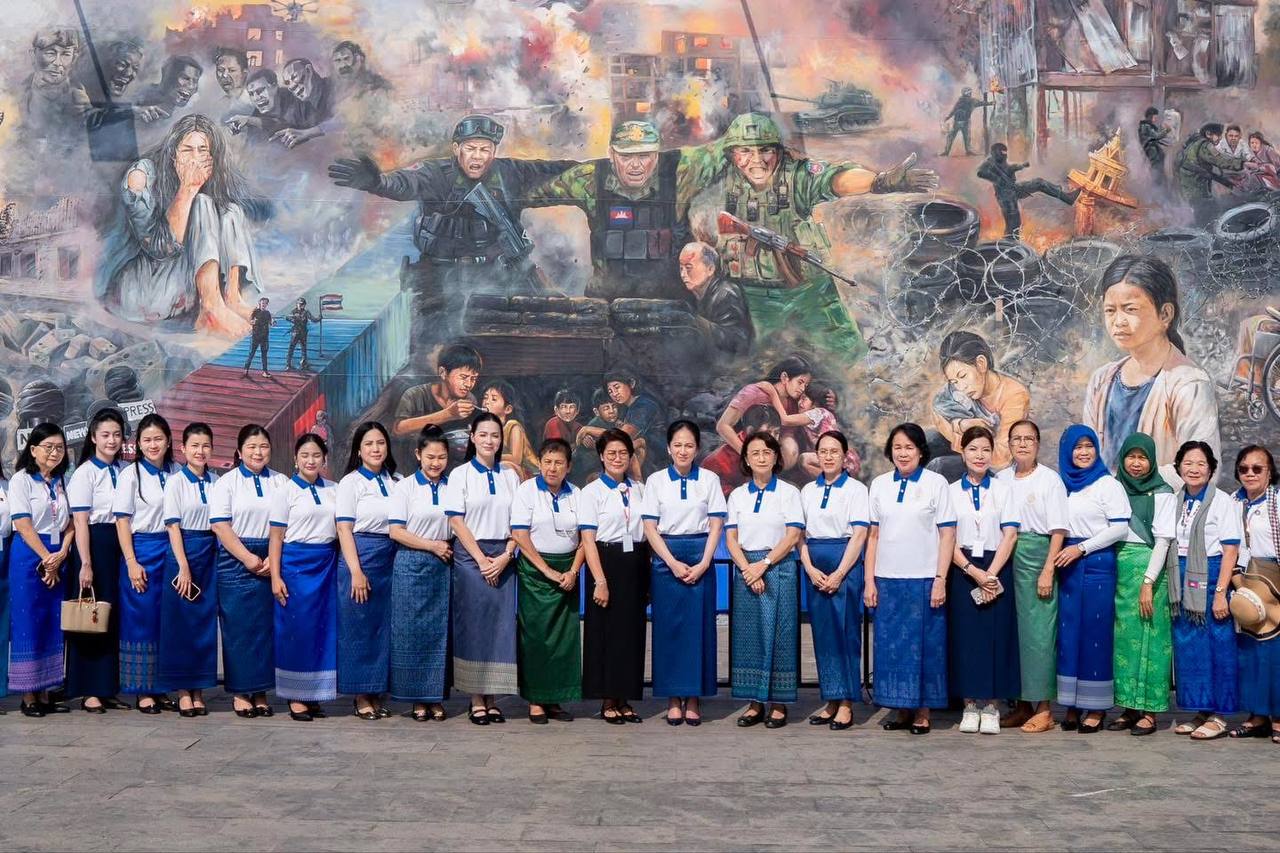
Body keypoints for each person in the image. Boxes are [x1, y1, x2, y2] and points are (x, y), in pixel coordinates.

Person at [706, 112, 935, 362]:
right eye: (745, 152)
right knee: (758, 362)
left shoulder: (798, 176)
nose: (757, 160)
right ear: (732, 155)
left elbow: (835, 180)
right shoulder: (723, 183)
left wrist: (882, 182)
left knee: (848, 355)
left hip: (809, 292)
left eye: (765, 150)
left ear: (778, 152)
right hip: (753, 297)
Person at [328, 115, 576, 334]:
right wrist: (376, 183)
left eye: (485, 149)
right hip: (441, 277)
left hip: (497, 272)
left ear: (493, 151)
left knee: (540, 324)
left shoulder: (509, 172)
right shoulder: (435, 173)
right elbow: (405, 183)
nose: (478, 156)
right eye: (471, 148)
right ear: (457, 149)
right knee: (431, 343)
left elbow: (555, 171)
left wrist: (594, 169)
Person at [95, 114, 262, 338]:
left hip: (182, 287)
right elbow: (159, 249)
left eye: (202, 150)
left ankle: (232, 298)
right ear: (173, 151)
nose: (195, 158)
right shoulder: (140, 176)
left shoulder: (214, 174)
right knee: (202, 203)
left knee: (231, 210)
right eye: (187, 150)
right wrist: (188, 189)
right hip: (144, 290)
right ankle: (211, 307)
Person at [1083, 255, 1219, 481]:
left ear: (1165, 314)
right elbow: (1087, 457)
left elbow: (1201, 470)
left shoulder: (1189, 384)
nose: (1118, 321)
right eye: (1110, 310)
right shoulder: (1102, 380)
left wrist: (1129, 486)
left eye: (1130, 309)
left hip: (1160, 502)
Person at [865, 423, 956, 734]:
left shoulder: (936, 483)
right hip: (888, 580)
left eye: (909, 447)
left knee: (926, 647)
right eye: (897, 447)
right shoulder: (879, 485)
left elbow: (947, 535)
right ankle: (900, 707)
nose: (903, 453)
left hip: (924, 579)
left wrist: (940, 579)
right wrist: (869, 581)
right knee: (891, 647)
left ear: (921, 451)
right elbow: (873, 536)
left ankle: (923, 711)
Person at [640, 421, 724, 726]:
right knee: (669, 629)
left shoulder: (710, 480)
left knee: (699, 628)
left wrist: (704, 562)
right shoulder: (656, 481)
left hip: (701, 557)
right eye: (677, 445)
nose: (683, 451)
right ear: (668, 448)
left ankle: (695, 696)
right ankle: (673, 697)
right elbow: (650, 527)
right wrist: (672, 563)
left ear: (697, 449)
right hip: (667, 560)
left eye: (689, 445)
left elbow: (716, 524)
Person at [1053, 424, 1129, 733]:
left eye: (1089, 446)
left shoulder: (1106, 484)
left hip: (1095, 561)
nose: (1084, 452)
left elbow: (1120, 527)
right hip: (1066, 564)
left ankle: (1095, 707)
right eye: (1077, 447)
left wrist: (1082, 548)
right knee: (1068, 634)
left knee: (1095, 633)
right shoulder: (1062, 484)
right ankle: (1071, 704)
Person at [445, 412, 520, 726]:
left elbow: (519, 523)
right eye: (484, 434)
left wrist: (506, 555)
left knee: (500, 628)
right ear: (472, 437)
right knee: (474, 626)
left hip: (504, 558)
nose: (490, 440)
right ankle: (476, 698)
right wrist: (480, 559)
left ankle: (493, 697)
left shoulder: (510, 476)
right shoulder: (459, 475)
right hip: (470, 558)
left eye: (495, 435)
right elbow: (456, 520)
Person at [726, 431, 805, 729]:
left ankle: (779, 703)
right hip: (746, 570)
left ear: (776, 457)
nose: (761, 457)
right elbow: (731, 538)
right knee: (750, 637)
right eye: (755, 453)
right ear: (746, 459)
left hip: (779, 567)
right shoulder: (737, 495)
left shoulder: (789, 492)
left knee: (781, 635)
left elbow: (793, 535)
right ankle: (754, 702)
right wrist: (749, 569)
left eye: (767, 452)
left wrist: (764, 564)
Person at [995, 419, 1070, 732]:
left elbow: (1059, 530)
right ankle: (1021, 704)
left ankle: (1044, 708)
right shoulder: (1000, 478)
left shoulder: (1050, 480)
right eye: (1017, 439)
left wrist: (1048, 568)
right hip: (1006, 556)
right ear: (1009, 444)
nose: (1023, 444)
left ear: (1038, 444)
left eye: (1029, 439)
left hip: (1038, 556)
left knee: (1039, 635)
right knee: (1014, 634)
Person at [946, 426, 1021, 735]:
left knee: (995, 638)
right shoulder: (950, 491)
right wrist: (972, 571)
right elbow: (946, 538)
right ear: (963, 453)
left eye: (985, 450)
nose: (979, 455)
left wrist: (990, 574)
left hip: (996, 567)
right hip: (962, 569)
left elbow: (1010, 534)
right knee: (965, 639)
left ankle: (991, 705)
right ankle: (969, 705)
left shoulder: (1003, 489)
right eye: (973, 449)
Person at [209, 424, 287, 718]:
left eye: (263, 446)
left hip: (272, 557)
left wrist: (271, 560)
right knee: (238, 629)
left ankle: (261, 691)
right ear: (240, 452)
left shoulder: (281, 481)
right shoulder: (226, 483)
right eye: (251, 447)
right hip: (236, 560)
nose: (258, 452)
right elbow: (220, 525)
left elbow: (287, 523)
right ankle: (242, 692)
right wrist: (248, 558)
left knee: (265, 630)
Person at [1169, 440, 1243, 740]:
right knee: (1190, 647)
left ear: (1211, 469)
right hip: (1182, 578)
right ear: (1178, 467)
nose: (1194, 469)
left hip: (1211, 578)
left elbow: (1230, 550)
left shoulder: (1221, 501)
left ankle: (1220, 714)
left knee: (1218, 645)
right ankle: (1201, 709)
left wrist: (1221, 592)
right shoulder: (1176, 500)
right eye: (1188, 463)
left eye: (1201, 463)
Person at [798, 430, 870, 731]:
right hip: (815, 568)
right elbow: (798, 535)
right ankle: (830, 698)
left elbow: (860, 534)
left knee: (846, 634)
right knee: (824, 635)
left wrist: (840, 573)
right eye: (823, 451)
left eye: (834, 452)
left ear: (844, 456)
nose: (828, 457)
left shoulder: (856, 490)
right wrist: (809, 568)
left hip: (845, 565)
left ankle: (847, 703)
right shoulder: (807, 491)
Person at [511, 439, 584, 723]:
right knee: (537, 637)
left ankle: (556, 698)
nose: (552, 468)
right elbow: (520, 535)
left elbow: (585, 538)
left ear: (569, 466)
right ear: (540, 464)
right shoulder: (527, 491)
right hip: (535, 572)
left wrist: (573, 571)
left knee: (564, 640)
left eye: (559, 463)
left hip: (567, 572)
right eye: (547, 462)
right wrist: (546, 570)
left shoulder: (576, 493)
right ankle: (536, 700)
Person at [580, 429, 650, 724]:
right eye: (611, 453)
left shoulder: (640, 489)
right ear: (601, 456)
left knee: (631, 633)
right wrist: (600, 580)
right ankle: (608, 698)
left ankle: (626, 696)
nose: (618, 458)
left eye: (623, 453)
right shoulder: (592, 492)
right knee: (606, 632)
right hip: (606, 562)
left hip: (636, 561)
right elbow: (587, 539)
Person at [268, 433, 339, 721]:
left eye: (316, 455)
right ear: (295, 459)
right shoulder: (285, 491)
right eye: (305, 455)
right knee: (296, 630)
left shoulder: (334, 489)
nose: (311, 460)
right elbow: (276, 537)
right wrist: (275, 576)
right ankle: (296, 696)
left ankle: (315, 693)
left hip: (326, 565)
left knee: (322, 631)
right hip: (295, 567)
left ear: (325, 459)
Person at [1110, 432, 1176, 736]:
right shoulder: (1114, 488)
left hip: (1149, 571)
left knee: (1151, 639)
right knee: (1124, 640)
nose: (1136, 464)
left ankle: (1150, 711)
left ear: (1152, 461)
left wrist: (1148, 581)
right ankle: (1129, 707)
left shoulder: (1162, 493)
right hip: (1120, 570)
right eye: (1131, 457)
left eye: (1143, 457)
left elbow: (1163, 541)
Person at [113, 414, 179, 713]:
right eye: (147, 440)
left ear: (168, 441)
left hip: (173, 550)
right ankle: (142, 689)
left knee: (168, 621)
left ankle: (163, 687)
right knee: (141, 619)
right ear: (138, 443)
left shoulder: (177, 471)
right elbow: (122, 521)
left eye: (159, 439)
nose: (153, 445)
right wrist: (131, 561)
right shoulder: (130, 474)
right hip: (142, 550)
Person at [387, 426, 453, 722]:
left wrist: (441, 548)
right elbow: (396, 531)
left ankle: (435, 696)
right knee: (411, 633)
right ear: (418, 455)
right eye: (430, 457)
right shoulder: (405, 487)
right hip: (411, 563)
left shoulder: (453, 486)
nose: (436, 463)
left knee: (438, 634)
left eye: (441, 457)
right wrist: (431, 545)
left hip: (444, 564)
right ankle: (416, 698)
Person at [65, 408, 129, 713]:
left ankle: (108, 687)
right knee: (91, 615)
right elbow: (80, 521)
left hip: (120, 543)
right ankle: (89, 689)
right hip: (94, 543)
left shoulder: (125, 469)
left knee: (113, 615)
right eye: (105, 435)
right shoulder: (85, 473)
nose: (111, 440)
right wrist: (86, 563)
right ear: (93, 437)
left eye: (116, 434)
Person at [335, 422, 400, 720]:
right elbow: (343, 528)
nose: (376, 449)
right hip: (361, 556)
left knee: (383, 628)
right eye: (369, 444)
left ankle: (377, 691)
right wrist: (356, 571)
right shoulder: (351, 482)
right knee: (358, 626)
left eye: (380, 443)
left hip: (391, 559)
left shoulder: (397, 480)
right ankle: (361, 695)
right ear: (358, 450)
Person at [9, 423, 73, 716]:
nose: (54, 453)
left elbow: (70, 524)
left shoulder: (62, 480)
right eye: (48, 447)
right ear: (33, 450)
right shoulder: (21, 480)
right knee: (29, 622)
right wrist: (48, 558)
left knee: (52, 621)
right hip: (30, 555)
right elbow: (23, 524)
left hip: (58, 555)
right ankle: (28, 695)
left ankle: (47, 690)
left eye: (59, 447)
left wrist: (61, 554)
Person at [161, 423, 220, 717]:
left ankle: (200, 688)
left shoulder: (216, 481)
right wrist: (183, 566)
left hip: (211, 555)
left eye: (205, 445)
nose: (200, 451)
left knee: (203, 625)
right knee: (181, 625)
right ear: (183, 449)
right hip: (183, 553)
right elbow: (172, 526)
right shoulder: (175, 482)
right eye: (194, 445)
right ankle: (184, 690)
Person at [1231, 445, 1280, 742]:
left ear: (1269, 472)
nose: (1250, 474)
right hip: (1245, 580)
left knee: (1275, 652)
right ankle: (1257, 715)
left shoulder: (1277, 501)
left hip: (1274, 579)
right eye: (1244, 469)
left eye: (1257, 468)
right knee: (1250, 651)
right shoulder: (1233, 502)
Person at [931, 330, 1030, 474]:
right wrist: (962, 424)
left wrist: (960, 432)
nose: (961, 387)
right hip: (972, 450)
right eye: (954, 382)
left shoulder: (1014, 394)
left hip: (994, 467)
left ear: (981, 363)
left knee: (939, 466)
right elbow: (938, 415)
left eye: (963, 376)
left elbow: (1002, 457)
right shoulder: (957, 390)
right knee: (926, 442)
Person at [716, 355, 814, 474]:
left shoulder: (793, 402)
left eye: (806, 385)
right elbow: (723, 425)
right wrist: (746, 454)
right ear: (784, 377)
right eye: (800, 382)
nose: (803, 388)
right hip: (741, 452)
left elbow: (789, 431)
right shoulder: (754, 392)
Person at [392, 342, 482, 467]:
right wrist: (448, 414)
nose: (468, 384)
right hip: (415, 465)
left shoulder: (469, 399)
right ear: (443, 372)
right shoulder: (415, 395)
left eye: (473, 378)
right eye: (463, 377)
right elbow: (398, 429)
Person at [977, 142, 1080, 238]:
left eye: (1005, 153)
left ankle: (1067, 198)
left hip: (1014, 188)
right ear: (995, 153)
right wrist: (998, 179)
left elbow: (1008, 169)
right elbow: (980, 172)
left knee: (1039, 183)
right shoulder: (989, 163)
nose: (1005, 155)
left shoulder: (1001, 161)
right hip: (1005, 197)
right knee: (1014, 224)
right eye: (1002, 153)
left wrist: (1020, 166)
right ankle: (1010, 245)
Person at [678, 241, 753, 357]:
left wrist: (694, 322)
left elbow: (737, 342)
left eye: (688, 268)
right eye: (681, 268)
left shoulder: (726, 294)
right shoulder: (694, 294)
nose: (683, 274)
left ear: (710, 269)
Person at [1175, 123, 1244, 223]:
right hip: (1198, 190)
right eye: (1218, 135)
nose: (1220, 138)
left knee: (1202, 213)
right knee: (1209, 213)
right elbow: (1221, 161)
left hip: (1189, 189)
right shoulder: (1205, 146)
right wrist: (1242, 164)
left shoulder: (1193, 144)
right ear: (1208, 134)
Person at [605, 371, 666, 474]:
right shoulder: (627, 408)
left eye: (617, 387)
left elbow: (622, 436)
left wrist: (589, 429)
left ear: (631, 384)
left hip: (658, 457)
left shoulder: (643, 405)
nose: (614, 394)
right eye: (610, 391)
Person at [224, 69, 306, 144]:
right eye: (251, 94)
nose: (256, 98)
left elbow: (287, 125)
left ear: (274, 87)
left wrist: (249, 120)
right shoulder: (256, 114)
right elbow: (252, 144)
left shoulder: (295, 99)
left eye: (260, 91)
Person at [480, 379, 538, 478]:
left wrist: (488, 456)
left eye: (494, 399)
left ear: (508, 409)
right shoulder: (489, 428)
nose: (486, 402)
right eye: (485, 398)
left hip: (529, 473)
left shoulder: (513, 426)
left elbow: (516, 459)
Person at [276, 58, 334, 148]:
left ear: (308, 70)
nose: (291, 86)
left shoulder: (335, 86)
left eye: (294, 77)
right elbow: (285, 124)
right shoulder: (299, 106)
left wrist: (309, 132)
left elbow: (347, 119)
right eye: (288, 83)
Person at [137, 56, 202, 116]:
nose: (191, 86)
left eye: (195, 81)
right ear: (169, 78)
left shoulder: (184, 114)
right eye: (185, 78)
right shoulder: (142, 98)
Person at [940, 87, 994, 157]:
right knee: (965, 137)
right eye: (969, 92)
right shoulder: (970, 101)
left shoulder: (963, 101)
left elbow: (954, 110)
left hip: (959, 122)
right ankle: (966, 151)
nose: (970, 94)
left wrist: (948, 117)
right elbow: (982, 103)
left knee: (955, 137)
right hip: (963, 122)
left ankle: (948, 151)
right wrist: (991, 103)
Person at [1138, 107, 1171, 186]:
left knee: (1158, 170)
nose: (1155, 119)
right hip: (1152, 151)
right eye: (1154, 117)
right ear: (1150, 116)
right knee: (1157, 170)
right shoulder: (1146, 126)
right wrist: (1166, 130)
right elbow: (1156, 136)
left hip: (1152, 150)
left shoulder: (1146, 126)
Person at [242, 297, 273, 378]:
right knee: (251, 353)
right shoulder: (255, 311)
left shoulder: (267, 313)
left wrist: (273, 323)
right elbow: (249, 321)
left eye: (265, 303)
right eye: (262, 303)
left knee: (264, 354)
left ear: (267, 304)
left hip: (264, 337)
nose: (264, 304)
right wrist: (253, 322)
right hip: (255, 336)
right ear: (259, 303)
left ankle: (265, 372)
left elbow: (271, 322)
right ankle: (246, 370)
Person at [286, 298, 320, 370]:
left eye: (302, 304)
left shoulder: (306, 312)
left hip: (303, 332)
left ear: (304, 305)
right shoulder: (294, 311)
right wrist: (294, 319)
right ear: (297, 304)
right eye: (299, 304)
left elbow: (313, 320)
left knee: (303, 348)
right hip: (295, 332)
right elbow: (287, 317)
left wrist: (319, 318)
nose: (301, 305)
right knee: (291, 348)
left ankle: (303, 363)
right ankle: (288, 364)